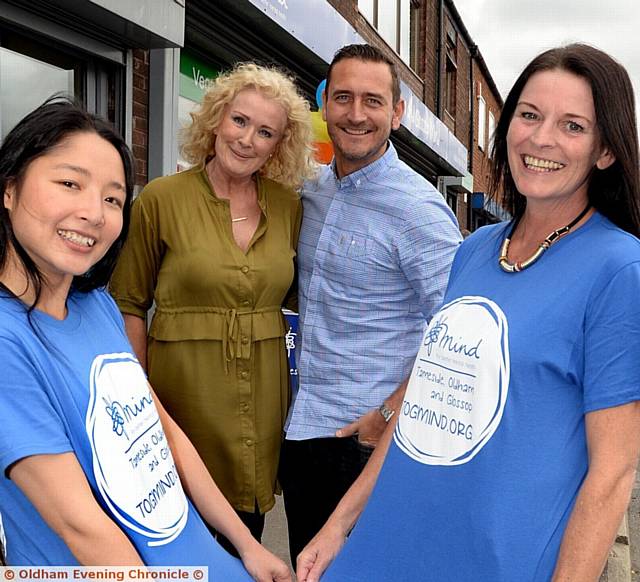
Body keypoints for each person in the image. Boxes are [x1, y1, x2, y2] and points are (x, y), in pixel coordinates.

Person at [296, 43, 640, 582]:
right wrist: (340, 524)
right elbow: (422, 408)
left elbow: (612, 474)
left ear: (605, 150)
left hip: (496, 559)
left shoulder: (621, 270)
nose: (541, 138)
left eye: (573, 126)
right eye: (529, 115)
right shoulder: (477, 249)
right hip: (392, 540)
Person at [0, 98, 291, 581]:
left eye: (113, 198)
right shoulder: (9, 341)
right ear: (9, 188)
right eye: (70, 183)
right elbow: (81, 528)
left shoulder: (96, 307)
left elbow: (163, 433)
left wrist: (244, 547)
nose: (93, 213)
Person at [109, 63, 316, 551]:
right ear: (216, 120)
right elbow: (129, 303)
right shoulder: (161, 198)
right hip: (181, 398)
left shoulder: (289, 207)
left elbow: (295, 301)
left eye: (265, 132)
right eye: (239, 121)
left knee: (246, 536)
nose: (247, 140)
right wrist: (141, 400)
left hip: (261, 406)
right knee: (178, 539)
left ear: (278, 145)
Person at [279, 43, 462, 562]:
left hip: (369, 445)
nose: (355, 114)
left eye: (372, 101)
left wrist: (388, 412)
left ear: (397, 113)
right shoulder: (310, 191)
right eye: (343, 98)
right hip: (303, 433)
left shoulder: (418, 209)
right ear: (324, 106)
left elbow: (456, 337)